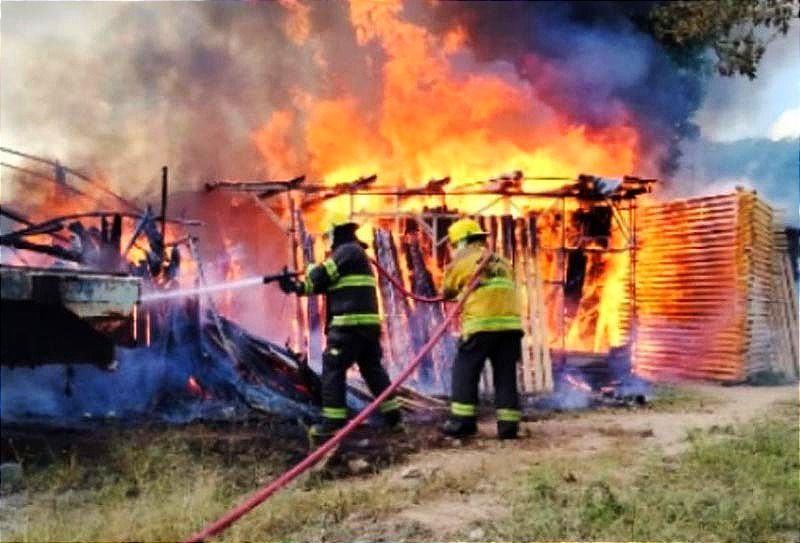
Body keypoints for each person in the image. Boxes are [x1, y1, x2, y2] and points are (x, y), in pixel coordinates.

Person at [278, 212, 401, 441]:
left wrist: (312, 267)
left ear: (335, 233)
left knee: (333, 367)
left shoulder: (347, 251)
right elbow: (320, 285)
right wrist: (294, 287)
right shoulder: (354, 254)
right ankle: (393, 416)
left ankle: (334, 422)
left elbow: (323, 274)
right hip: (365, 327)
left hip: (349, 326)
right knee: (372, 369)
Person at [439, 218, 523, 440]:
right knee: (505, 375)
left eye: (454, 244)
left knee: (465, 371)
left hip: (481, 325)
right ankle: (508, 427)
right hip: (511, 327)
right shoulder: (503, 262)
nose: (454, 249)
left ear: (462, 242)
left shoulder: (462, 262)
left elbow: (445, 292)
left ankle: (462, 422)